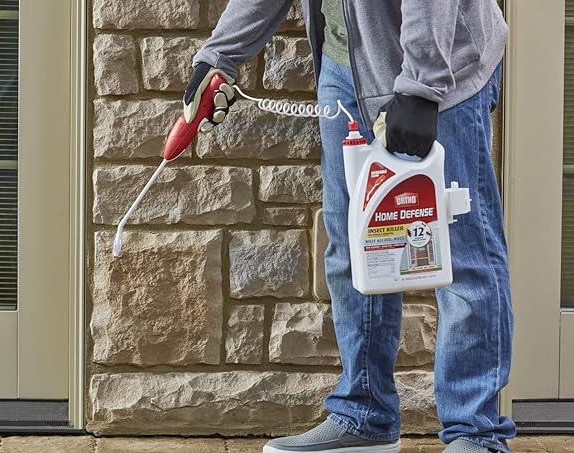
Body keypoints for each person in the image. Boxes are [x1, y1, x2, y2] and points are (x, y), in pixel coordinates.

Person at [184, 1, 514, 452]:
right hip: (346, 70)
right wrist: (219, 55)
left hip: (442, 70)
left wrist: (421, 87)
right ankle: (364, 415)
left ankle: (476, 434)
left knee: (463, 257)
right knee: (354, 248)